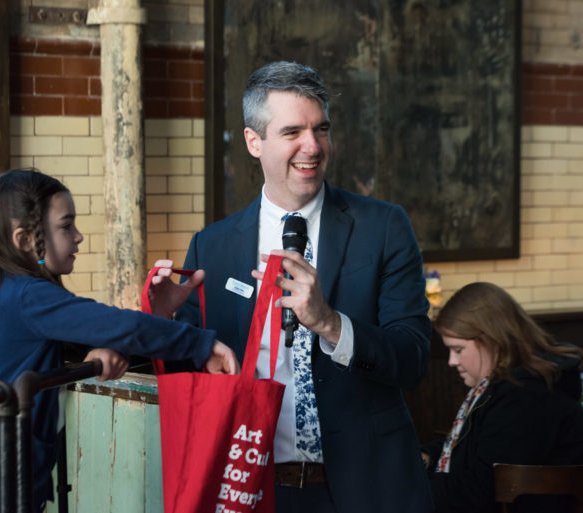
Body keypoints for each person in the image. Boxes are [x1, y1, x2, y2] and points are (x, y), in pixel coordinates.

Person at [152, 61, 433, 513]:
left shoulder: (383, 227)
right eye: (292, 133)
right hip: (254, 486)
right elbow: (193, 372)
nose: (313, 146)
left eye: (321, 129)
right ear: (253, 142)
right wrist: (163, 322)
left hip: (370, 488)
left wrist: (329, 323)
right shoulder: (214, 245)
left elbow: (414, 358)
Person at [0, 169, 239, 513]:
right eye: (66, 226)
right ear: (25, 241)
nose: (78, 236)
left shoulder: (18, 292)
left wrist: (125, 334)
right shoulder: (26, 295)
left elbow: (105, 332)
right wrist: (200, 344)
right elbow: (117, 325)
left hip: (1, 485)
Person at [421, 282, 583, 513]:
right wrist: (429, 455)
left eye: (458, 349)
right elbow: (477, 446)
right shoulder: (507, 386)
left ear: (492, 341)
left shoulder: (525, 397)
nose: (451, 361)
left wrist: (409, 484)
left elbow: (477, 494)